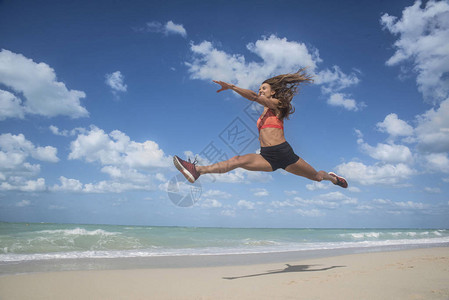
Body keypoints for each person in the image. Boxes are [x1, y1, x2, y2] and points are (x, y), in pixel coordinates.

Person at [173, 69, 348, 188]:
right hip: (267, 156)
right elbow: (265, 132)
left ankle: (333, 178)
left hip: (285, 154)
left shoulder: (278, 104)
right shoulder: (262, 116)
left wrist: (232, 87)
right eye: (260, 88)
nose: (261, 90)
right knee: (238, 160)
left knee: (317, 177)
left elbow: (256, 98)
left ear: (272, 92)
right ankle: (198, 171)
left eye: (264, 88)